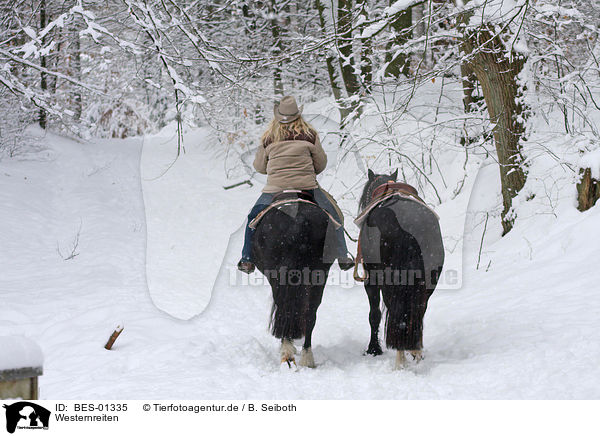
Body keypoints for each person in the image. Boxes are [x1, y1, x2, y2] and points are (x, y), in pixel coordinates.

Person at [237, 95, 354, 274]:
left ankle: (247, 259)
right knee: (334, 215)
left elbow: (260, 167)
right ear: (298, 115)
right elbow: (320, 164)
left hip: (275, 189)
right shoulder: (309, 135)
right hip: (307, 187)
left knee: (253, 219)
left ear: (278, 116)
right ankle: (343, 255)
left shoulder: (268, 138)